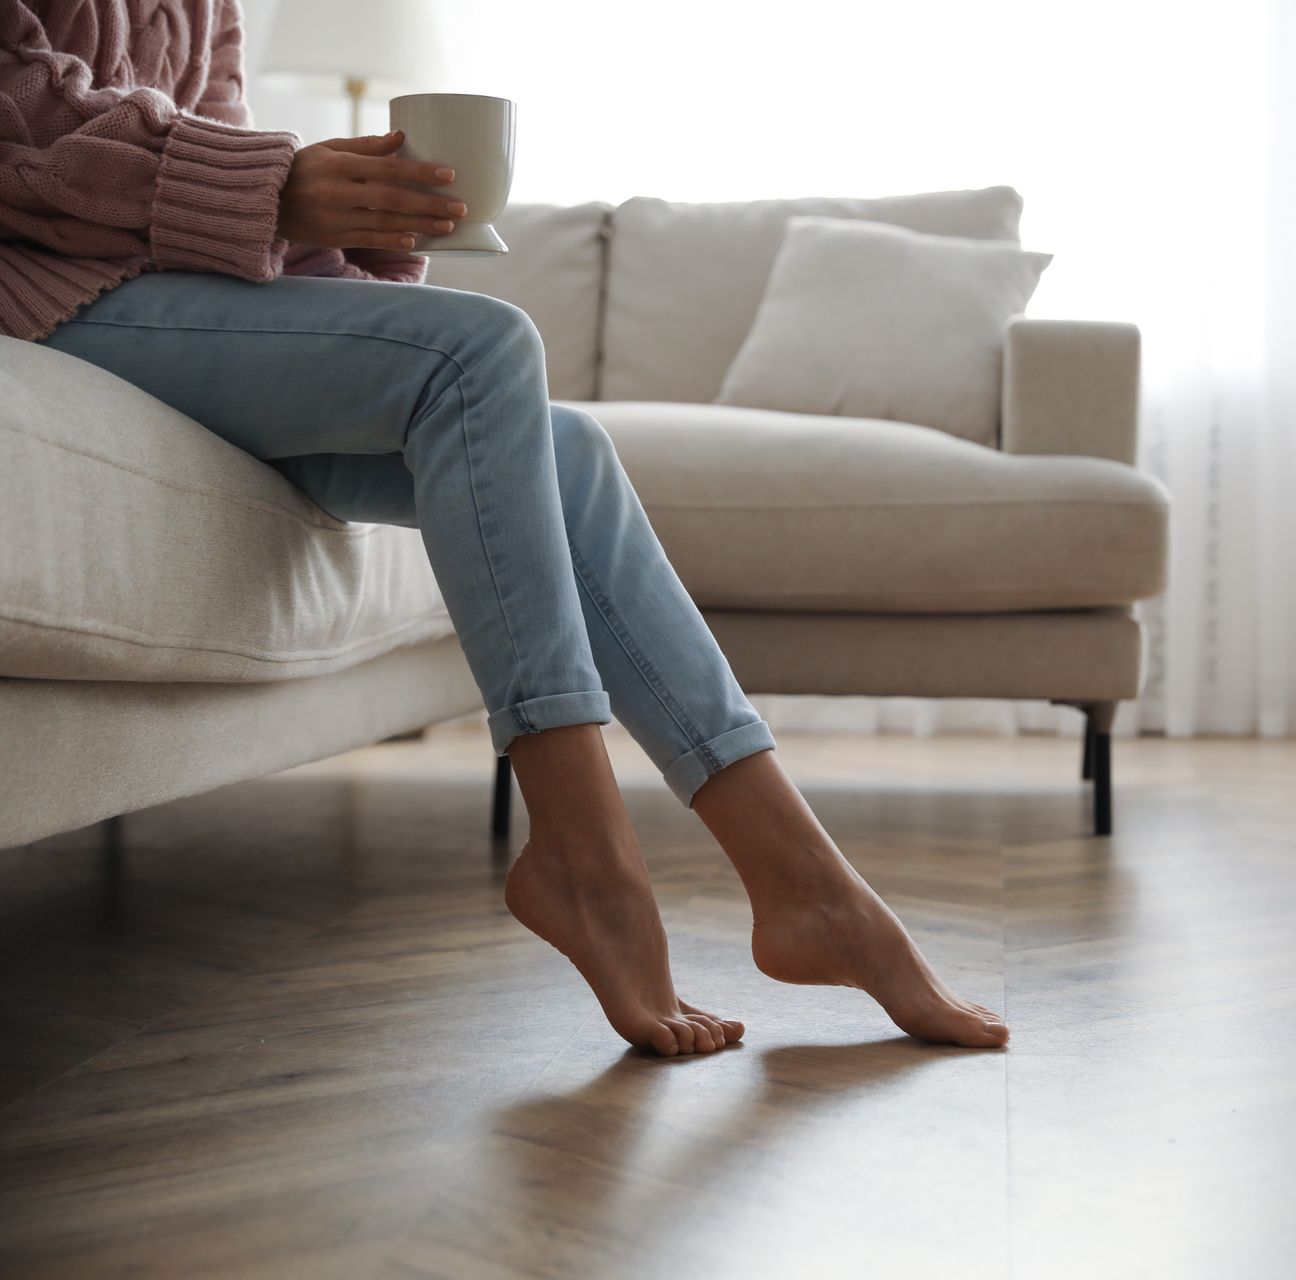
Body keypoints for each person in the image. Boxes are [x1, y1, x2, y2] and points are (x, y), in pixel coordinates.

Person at [1, 0, 1008, 1056]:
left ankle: (806, 881)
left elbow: (211, 189)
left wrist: (341, 229)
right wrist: (270, 183)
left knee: (564, 448)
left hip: (174, 311)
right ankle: (582, 854)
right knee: (480, 352)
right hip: (41, 295)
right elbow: (22, 119)